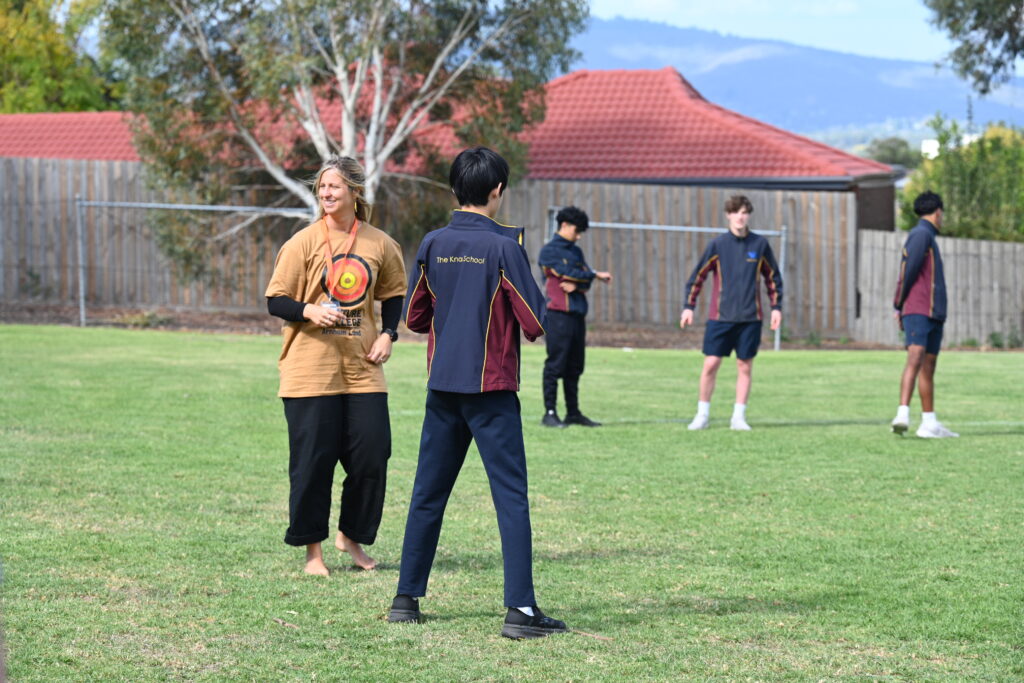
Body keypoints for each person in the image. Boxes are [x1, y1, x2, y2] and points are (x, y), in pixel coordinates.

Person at [386, 146, 568, 640]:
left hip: (442, 386)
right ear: (497, 191)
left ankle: (405, 599)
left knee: (427, 493)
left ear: (453, 189)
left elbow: (415, 316)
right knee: (510, 497)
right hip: (491, 390)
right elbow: (535, 323)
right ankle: (521, 610)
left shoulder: (432, 243)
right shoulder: (505, 248)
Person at [265, 156, 407, 575]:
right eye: (322, 187)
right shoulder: (302, 242)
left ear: (355, 192)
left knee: (373, 455)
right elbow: (276, 300)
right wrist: (309, 310)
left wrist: (388, 333)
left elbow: (394, 294)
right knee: (313, 464)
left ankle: (351, 536)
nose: (326, 193)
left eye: (335, 187)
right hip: (310, 371)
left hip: (363, 369)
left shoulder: (380, 243)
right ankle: (314, 553)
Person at [679, 195, 783, 431]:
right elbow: (698, 277)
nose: (740, 217)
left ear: (749, 215)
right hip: (720, 317)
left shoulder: (760, 245)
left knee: (744, 366)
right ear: (728, 215)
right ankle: (702, 415)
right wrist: (689, 306)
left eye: (744, 212)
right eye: (736, 212)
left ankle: (738, 417)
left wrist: (776, 308)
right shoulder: (718, 245)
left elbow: (773, 279)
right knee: (711, 364)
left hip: (750, 318)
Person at [890, 191, 958, 438]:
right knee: (915, 358)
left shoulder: (928, 236)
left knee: (929, 366)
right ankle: (902, 415)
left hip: (934, 313)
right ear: (938, 212)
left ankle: (929, 424)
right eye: (942, 214)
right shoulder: (920, 234)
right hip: (918, 310)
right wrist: (899, 305)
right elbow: (907, 271)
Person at [538, 206, 613, 427]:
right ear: (564, 225)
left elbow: (582, 280)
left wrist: (580, 283)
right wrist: (593, 275)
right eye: (577, 230)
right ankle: (549, 413)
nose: (579, 236)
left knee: (575, 366)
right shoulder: (549, 251)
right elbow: (565, 273)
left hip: (577, 315)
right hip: (557, 315)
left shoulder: (576, 252)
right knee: (555, 364)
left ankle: (573, 412)